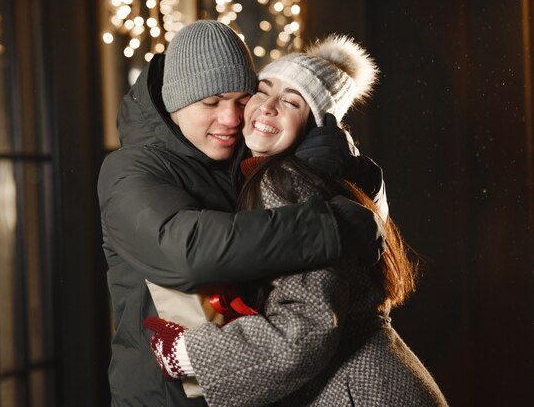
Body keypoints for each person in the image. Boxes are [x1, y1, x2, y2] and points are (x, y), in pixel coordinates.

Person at [143, 34, 449, 407]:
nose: (268, 107)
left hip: (358, 390)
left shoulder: (285, 181)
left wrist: (188, 353)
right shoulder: (307, 173)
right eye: (262, 90)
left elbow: (309, 325)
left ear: (314, 126)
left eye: (291, 102)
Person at [97, 21, 384, 407]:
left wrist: (345, 169)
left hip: (254, 389)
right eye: (211, 103)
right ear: (174, 101)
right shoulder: (130, 171)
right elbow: (188, 252)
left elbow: (371, 252)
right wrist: (330, 226)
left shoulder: (250, 156)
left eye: (240, 99)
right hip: (166, 397)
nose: (231, 119)